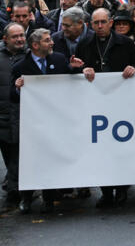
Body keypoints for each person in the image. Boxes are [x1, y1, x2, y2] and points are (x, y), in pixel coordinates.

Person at [75, 8, 135, 208]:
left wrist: (133, 69)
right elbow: (76, 69)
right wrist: (80, 69)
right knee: (100, 151)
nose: (100, 26)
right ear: (90, 25)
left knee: (121, 149)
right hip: (95, 105)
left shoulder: (126, 43)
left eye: (104, 22)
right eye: (96, 23)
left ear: (111, 22)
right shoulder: (85, 43)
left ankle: (121, 189)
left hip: (121, 104)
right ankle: (105, 191)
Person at [11, 29, 78, 214]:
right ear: (35, 45)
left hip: (55, 123)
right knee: (30, 162)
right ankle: (26, 198)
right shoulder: (20, 67)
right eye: (47, 40)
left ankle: (49, 199)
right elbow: (12, 97)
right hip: (32, 125)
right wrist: (18, 88)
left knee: (49, 160)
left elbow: (70, 81)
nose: (52, 43)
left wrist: (77, 69)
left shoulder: (58, 59)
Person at [0, 23, 26, 208]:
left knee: (18, 152)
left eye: (22, 35)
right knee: (8, 152)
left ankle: (15, 188)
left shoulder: (31, 56)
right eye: (15, 36)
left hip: (24, 115)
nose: (19, 39)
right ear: (5, 39)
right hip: (3, 115)